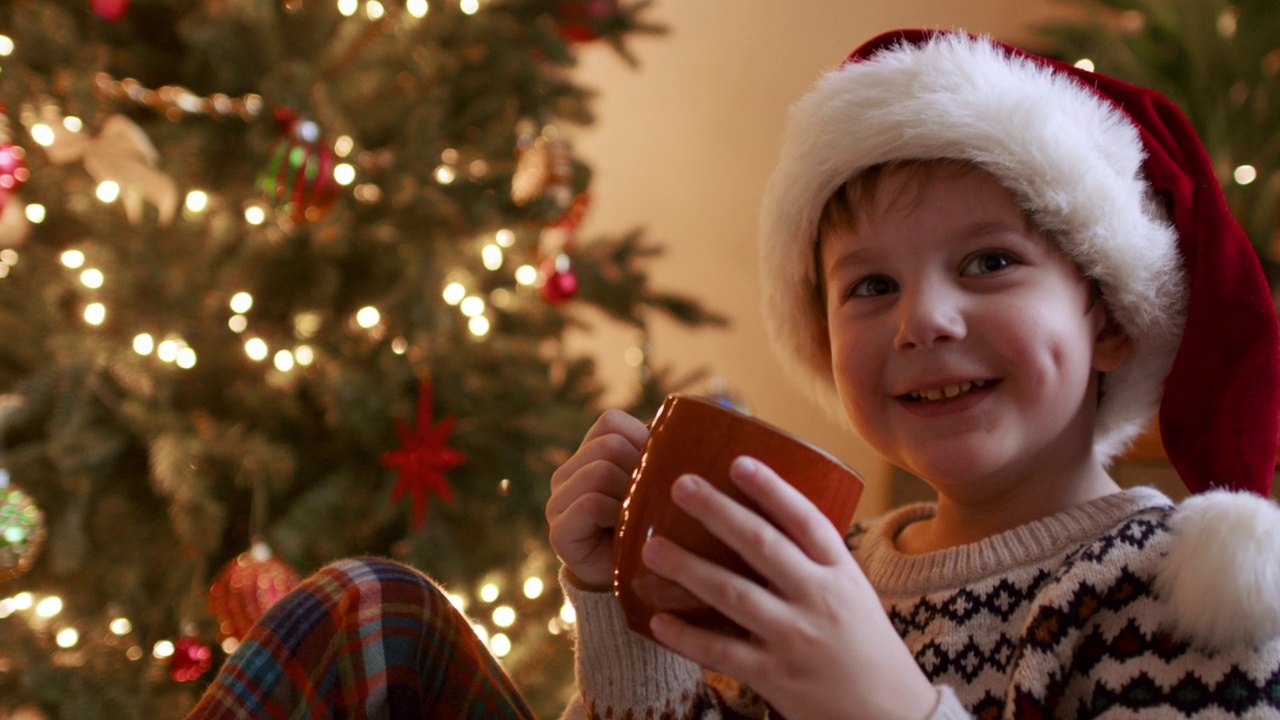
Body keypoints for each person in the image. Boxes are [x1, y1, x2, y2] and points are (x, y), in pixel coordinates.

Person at [188, 28, 1280, 719]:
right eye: (867, 287)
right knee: (375, 613)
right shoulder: (818, 569)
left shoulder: (1180, 597)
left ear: (1113, 321)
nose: (922, 320)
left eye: (988, 263)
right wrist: (620, 611)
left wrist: (878, 704)